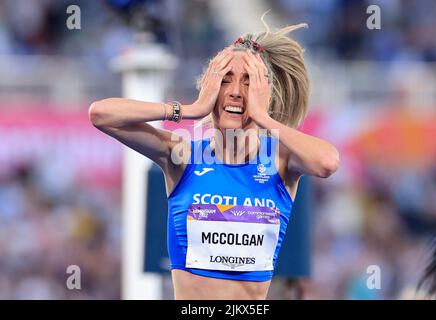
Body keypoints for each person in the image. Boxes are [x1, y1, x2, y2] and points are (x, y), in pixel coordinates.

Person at [88, 18, 339, 299]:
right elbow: (101, 115)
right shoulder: (182, 156)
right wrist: (187, 109)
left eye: (247, 82)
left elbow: (327, 162)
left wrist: (263, 116)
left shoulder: (279, 161)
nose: (234, 91)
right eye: (225, 79)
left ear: (264, 93)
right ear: (210, 88)